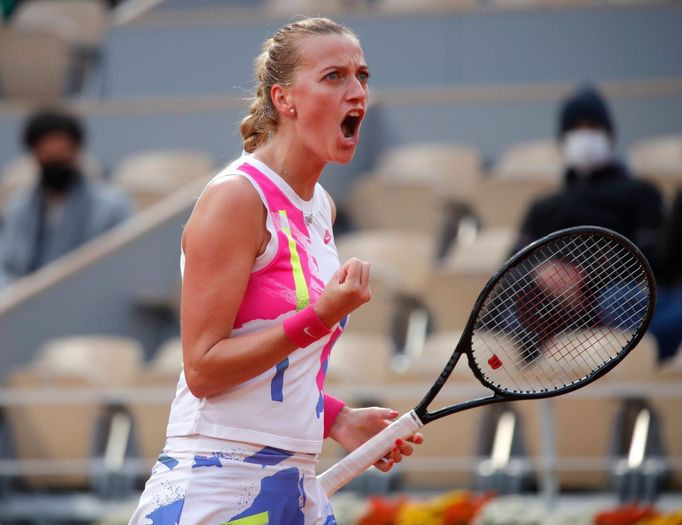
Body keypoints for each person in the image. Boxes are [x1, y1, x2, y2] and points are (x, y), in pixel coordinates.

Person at [129, 18, 421, 525]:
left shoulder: (321, 207)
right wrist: (320, 315)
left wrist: (336, 418)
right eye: (334, 77)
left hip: (296, 481)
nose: (357, 93)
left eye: (363, 76)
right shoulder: (236, 199)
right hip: (216, 479)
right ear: (285, 99)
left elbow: (277, 362)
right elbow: (203, 369)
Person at [513, 84, 665, 270]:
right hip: (550, 295)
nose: (584, 135)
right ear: (563, 140)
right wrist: (545, 275)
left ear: (609, 135)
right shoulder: (543, 207)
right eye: (575, 128)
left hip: (616, 294)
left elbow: (653, 264)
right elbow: (509, 276)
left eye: (593, 127)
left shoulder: (643, 194)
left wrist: (581, 278)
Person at [0, 108, 132, 288]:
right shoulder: (18, 209)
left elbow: (119, 270)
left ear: (76, 151)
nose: (57, 163)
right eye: (49, 157)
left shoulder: (112, 207)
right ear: (35, 155)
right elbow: (7, 268)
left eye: (63, 154)